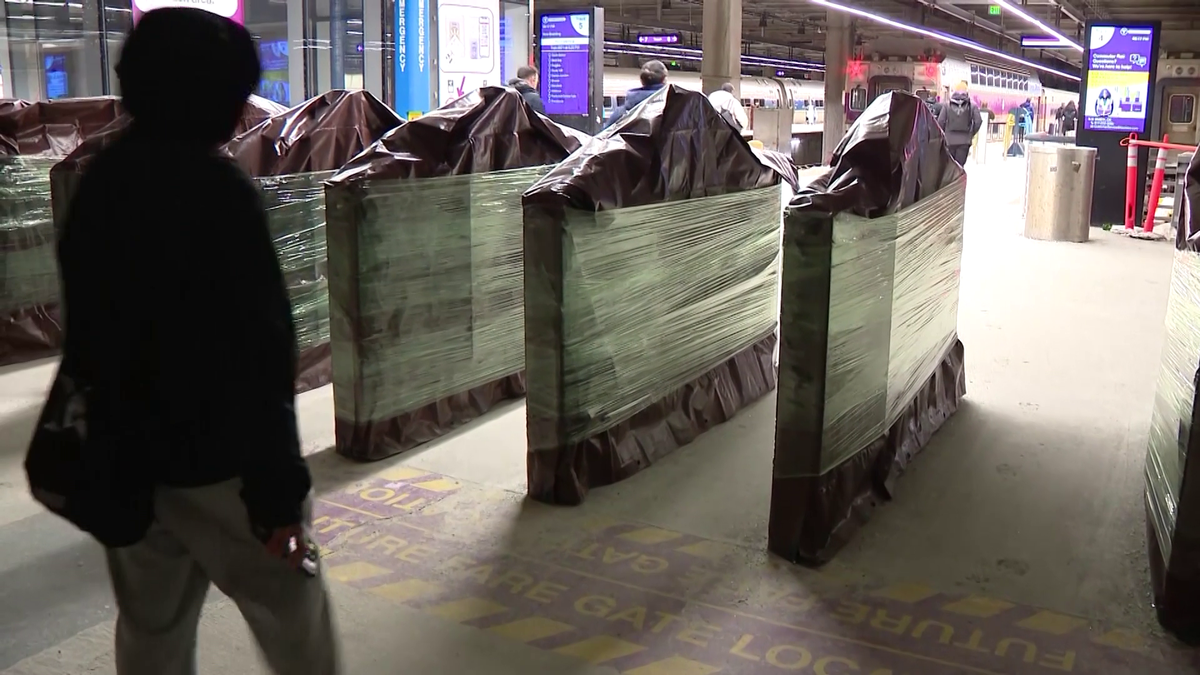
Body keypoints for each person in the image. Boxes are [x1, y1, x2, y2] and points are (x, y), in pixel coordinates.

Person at [54, 8, 338, 674]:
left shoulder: (98, 186)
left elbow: (90, 333)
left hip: (128, 460)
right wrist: (276, 493)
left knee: (152, 629)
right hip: (223, 467)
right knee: (295, 616)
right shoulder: (219, 195)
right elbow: (259, 352)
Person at [603, 60, 668, 129]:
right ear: (664, 80)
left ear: (642, 81)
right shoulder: (674, 111)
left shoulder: (621, 113)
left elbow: (604, 135)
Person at [937, 81, 983, 166]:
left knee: (949, 167)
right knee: (960, 166)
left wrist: (944, 134)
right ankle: (960, 179)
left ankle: (951, 179)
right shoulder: (972, 105)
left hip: (949, 141)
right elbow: (978, 121)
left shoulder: (947, 105)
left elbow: (940, 121)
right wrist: (971, 133)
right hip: (964, 141)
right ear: (966, 91)